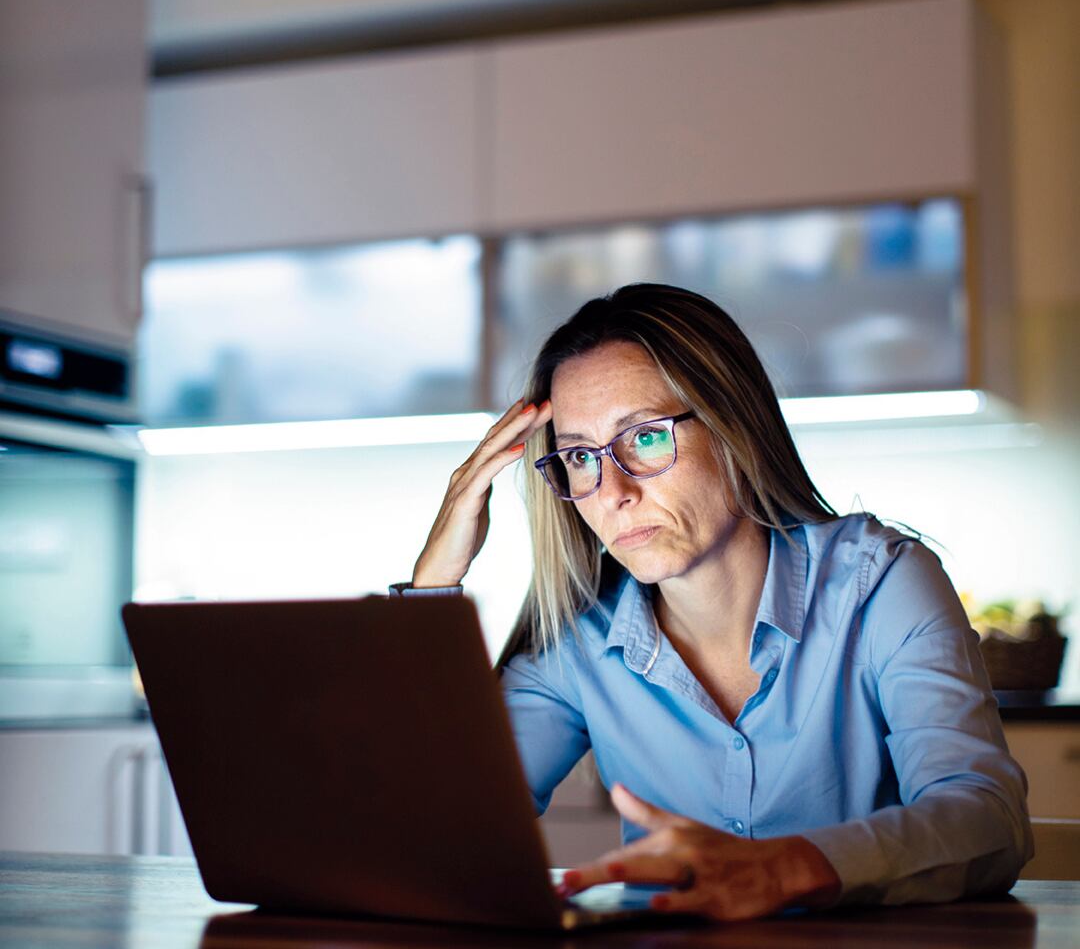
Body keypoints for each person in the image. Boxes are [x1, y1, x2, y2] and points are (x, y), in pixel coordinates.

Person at [394, 283, 1032, 921]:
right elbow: (434, 837)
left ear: (733, 425)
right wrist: (433, 583)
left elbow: (987, 821)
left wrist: (784, 868)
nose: (611, 492)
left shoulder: (881, 583)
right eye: (581, 456)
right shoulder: (578, 643)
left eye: (644, 438)